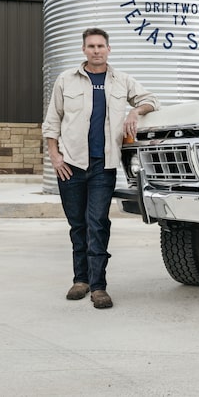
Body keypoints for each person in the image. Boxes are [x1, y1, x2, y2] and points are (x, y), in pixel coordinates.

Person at [43, 28, 159, 309]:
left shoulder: (122, 80)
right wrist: (55, 157)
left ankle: (98, 286)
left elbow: (151, 100)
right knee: (78, 225)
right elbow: (52, 121)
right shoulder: (66, 80)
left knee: (98, 223)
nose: (96, 50)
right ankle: (80, 280)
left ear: (108, 49)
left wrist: (134, 112)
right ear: (83, 49)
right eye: (91, 46)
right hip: (70, 165)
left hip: (103, 166)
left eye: (101, 46)